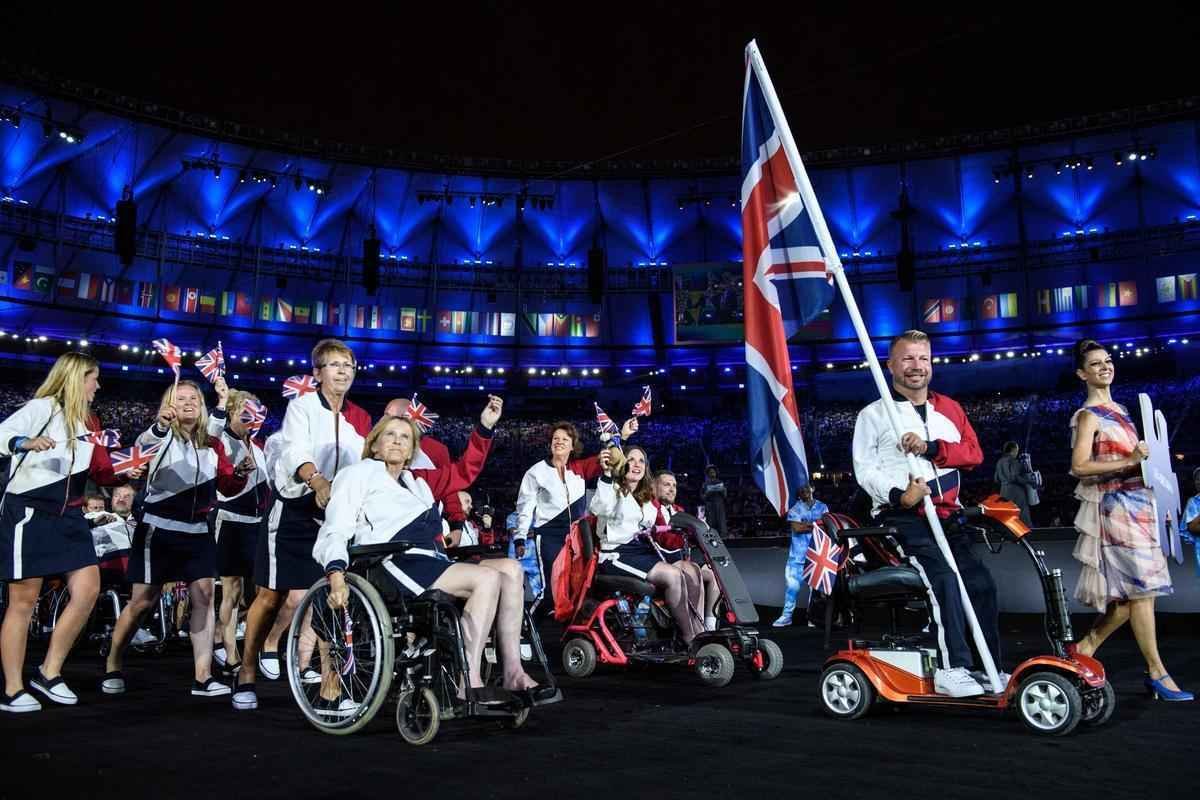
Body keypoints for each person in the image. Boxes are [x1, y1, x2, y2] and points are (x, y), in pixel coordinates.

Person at [315, 398, 542, 698]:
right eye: (390, 435)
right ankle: (469, 680)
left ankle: (513, 671)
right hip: (390, 561)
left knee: (511, 569)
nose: (397, 441)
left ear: (412, 450)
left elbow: (463, 472)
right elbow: (337, 527)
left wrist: (484, 427)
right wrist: (335, 572)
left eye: (405, 437)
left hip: (429, 559)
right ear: (374, 445)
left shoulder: (418, 481)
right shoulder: (357, 474)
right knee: (486, 578)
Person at [852, 330, 1003, 698]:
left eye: (922, 358)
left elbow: (973, 454)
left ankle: (987, 667)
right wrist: (901, 495)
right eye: (907, 358)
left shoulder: (950, 409)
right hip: (902, 518)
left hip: (948, 515)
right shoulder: (873, 414)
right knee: (944, 579)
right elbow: (865, 469)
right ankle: (954, 667)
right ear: (890, 365)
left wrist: (932, 447)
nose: (916, 366)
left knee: (980, 583)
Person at [234, 339, 371, 711]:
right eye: (334, 365)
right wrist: (318, 481)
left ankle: (332, 688)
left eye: (348, 365)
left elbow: (365, 460)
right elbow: (297, 452)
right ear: (317, 373)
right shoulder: (303, 408)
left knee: (330, 596)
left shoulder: (350, 425)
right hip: (292, 511)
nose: (343, 371)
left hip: (326, 519)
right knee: (270, 595)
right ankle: (245, 671)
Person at [103, 380, 251, 698]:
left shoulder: (213, 444)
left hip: (197, 531)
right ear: (168, 404)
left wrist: (240, 474)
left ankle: (203, 676)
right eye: (180, 397)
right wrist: (160, 425)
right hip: (158, 529)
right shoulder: (160, 435)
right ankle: (113, 660)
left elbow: (226, 486)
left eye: (194, 397)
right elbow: (143, 446)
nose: (188, 402)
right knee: (142, 601)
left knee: (205, 599)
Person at [0, 352, 129, 713]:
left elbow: (103, 471)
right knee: (23, 603)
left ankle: (49, 671)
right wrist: (23, 442)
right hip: (30, 512)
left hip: (71, 517)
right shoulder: (43, 408)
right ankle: (12, 689)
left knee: (88, 590)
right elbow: (3, 434)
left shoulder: (89, 421)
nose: (98, 385)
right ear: (76, 378)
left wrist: (126, 472)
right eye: (93, 378)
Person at [1068, 339, 1190, 701]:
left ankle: (1086, 647)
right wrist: (1132, 461)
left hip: (1140, 504)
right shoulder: (1088, 415)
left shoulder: (1119, 409)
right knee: (1143, 592)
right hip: (1117, 507)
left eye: (1107, 361)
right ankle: (1157, 673)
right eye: (1095, 364)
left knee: (1129, 597)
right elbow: (1079, 466)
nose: (1105, 367)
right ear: (1081, 373)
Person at [513, 417, 636, 614]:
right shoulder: (536, 472)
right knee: (552, 591)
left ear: (573, 446)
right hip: (549, 536)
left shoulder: (580, 468)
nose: (559, 441)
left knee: (577, 589)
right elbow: (525, 506)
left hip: (578, 537)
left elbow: (611, 459)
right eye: (556, 438)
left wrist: (621, 436)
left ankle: (562, 636)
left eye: (565, 439)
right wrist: (520, 537)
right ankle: (527, 625)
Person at [591, 446, 701, 644]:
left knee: (689, 571)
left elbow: (659, 532)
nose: (636, 464)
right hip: (616, 553)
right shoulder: (612, 488)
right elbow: (599, 507)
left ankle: (695, 629)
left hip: (642, 550)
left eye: (641, 461)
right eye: (631, 460)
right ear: (622, 464)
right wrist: (607, 473)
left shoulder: (647, 498)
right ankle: (690, 637)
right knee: (673, 575)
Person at [208, 378, 271, 674]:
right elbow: (210, 438)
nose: (251, 420)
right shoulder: (221, 439)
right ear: (233, 413)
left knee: (258, 591)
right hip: (231, 520)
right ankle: (231, 652)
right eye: (245, 414)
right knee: (231, 590)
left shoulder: (257, 445)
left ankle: (232, 639)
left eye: (255, 414)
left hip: (257, 524)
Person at [654, 469, 719, 631]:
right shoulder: (651, 509)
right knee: (694, 571)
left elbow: (689, 540)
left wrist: (701, 532)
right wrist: (687, 535)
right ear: (654, 487)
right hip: (663, 561)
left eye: (674, 486)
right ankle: (699, 629)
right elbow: (665, 541)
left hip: (683, 559)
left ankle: (711, 625)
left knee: (715, 572)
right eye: (666, 485)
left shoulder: (679, 511)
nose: (671, 489)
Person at [773, 484, 829, 628]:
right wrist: (816, 524)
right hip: (797, 556)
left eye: (807, 488)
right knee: (792, 588)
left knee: (815, 591)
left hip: (816, 555)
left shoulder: (823, 507)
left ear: (813, 488)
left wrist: (807, 524)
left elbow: (826, 526)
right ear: (798, 492)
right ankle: (786, 617)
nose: (804, 491)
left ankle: (812, 617)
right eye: (801, 489)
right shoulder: (795, 508)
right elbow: (797, 528)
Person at [994, 441, 1035, 526]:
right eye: (1017, 450)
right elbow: (1014, 477)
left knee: (1007, 515)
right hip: (1016, 492)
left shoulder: (999, 462)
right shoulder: (1013, 461)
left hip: (1003, 491)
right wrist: (1029, 481)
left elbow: (996, 479)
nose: (1017, 452)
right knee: (1023, 514)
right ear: (1013, 450)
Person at [702, 465, 728, 537]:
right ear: (708, 474)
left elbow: (725, 496)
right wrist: (707, 493)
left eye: (714, 472)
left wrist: (723, 491)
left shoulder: (721, 482)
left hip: (720, 505)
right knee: (711, 523)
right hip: (710, 506)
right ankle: (712, 539)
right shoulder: (705, 484)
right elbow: (703, 498)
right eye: (710, 472)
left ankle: (724, 538)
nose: (712, 473)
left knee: (721, 523)